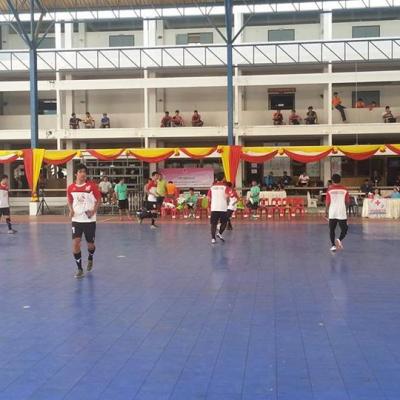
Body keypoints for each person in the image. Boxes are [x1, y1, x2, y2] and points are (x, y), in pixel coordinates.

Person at [67, 164, 101, 279]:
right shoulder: (71, 187)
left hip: (89, 220)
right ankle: (80, 269)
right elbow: (69, 200)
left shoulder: (91, 186)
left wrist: (93, 211)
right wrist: (71, 210)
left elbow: (98, 200)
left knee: (90, 245)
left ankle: (90, 257)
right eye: (80, 171)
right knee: (75, 243)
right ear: (76, 174)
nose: (83, 174)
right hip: (76, 220)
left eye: (84, 172)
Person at [326, 173, 350, 252]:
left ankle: (333, 245)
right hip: (341, 211)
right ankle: (339, 239)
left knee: (332, 230)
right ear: (340, 180)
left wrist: (326, 211)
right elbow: (347, 202)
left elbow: (327, 202)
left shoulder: (329, 189)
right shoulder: (344, 189)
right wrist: (345, 210)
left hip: (332, 212)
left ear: (332, 181)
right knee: (345, 229)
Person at [208, 173, 229, 244]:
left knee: (213, 224)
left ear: (216, 179)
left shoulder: (212, 187)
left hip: (214, 208)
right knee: (224, 223)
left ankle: (213, 239)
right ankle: (219, 233)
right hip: (223, 208)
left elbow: (209, 198)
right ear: (223, 178)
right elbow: (227, 196)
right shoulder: (225, 186)